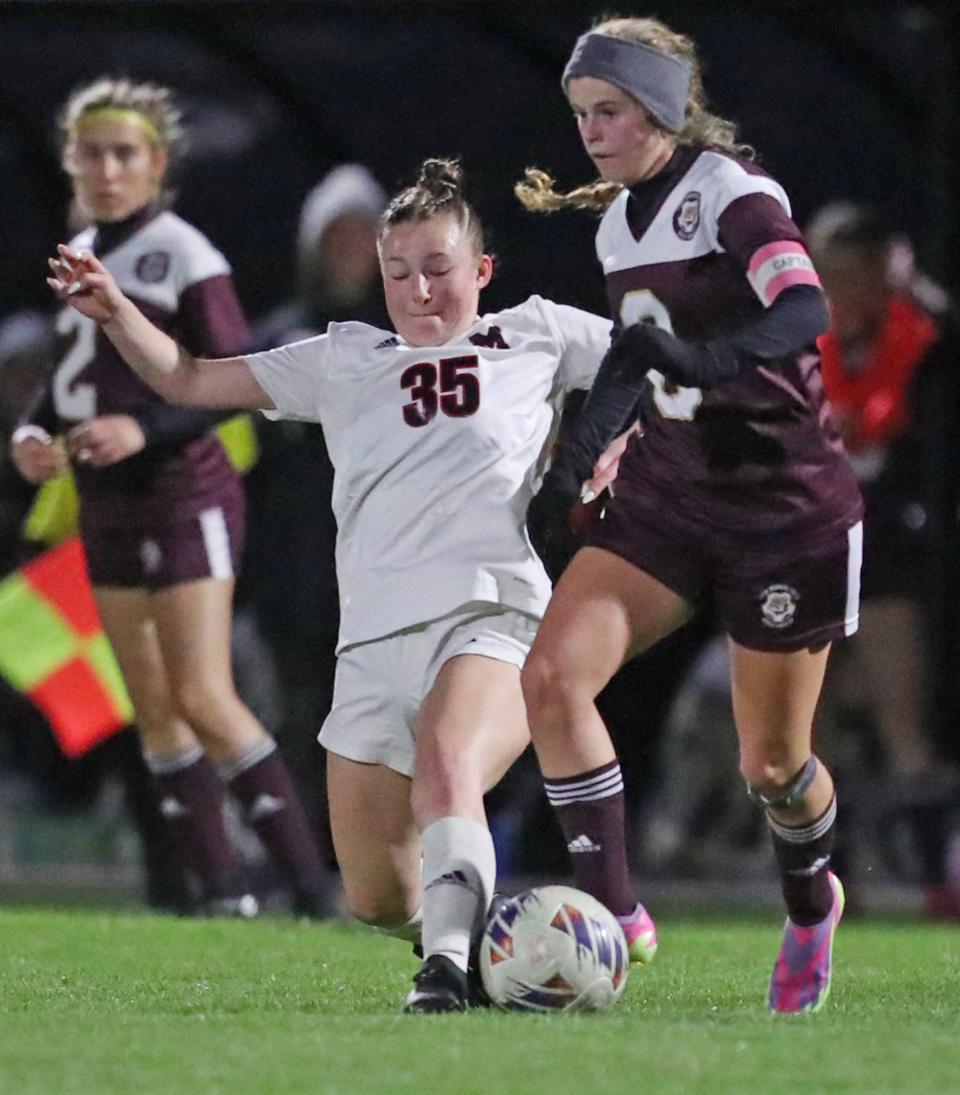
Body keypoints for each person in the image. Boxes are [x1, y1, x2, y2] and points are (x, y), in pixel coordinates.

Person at [45, 157, 615, 1012]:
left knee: (448, 763)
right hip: (373, 641)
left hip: (491, 613)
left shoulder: (536, 333)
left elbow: (655, 357)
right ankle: (477, 938)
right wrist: (119, 311)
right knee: (376, 895)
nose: (419, 290)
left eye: (439, 269)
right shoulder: (346, 357)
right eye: (398, 272)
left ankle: (446, 974)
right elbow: (191, 378)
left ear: (483, 271)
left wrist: (617, 442)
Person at [514, 16, 864, 1013]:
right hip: (670, 496)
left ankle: (810, 906)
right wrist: (571, 471)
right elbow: (636, 359)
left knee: (773, 765)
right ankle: (615, 919)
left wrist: (707, 364)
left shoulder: (733, 195)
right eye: (581, 113)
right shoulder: (617, 222)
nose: (591, 131)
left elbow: (804, 313)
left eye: (610, 110)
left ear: (663, 107)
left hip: (781, 507)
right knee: (553, 677)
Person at [11, 76, 330, 918]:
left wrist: (139, 432)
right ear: (71, 164)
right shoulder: (82, 246)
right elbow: (69, 380)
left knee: (202, 695)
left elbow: (228, 382)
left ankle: (310, 887)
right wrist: (30, 436)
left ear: (158, 164)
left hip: (182, 492)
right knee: (150, 704)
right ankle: (225, 893)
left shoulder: (186, 255)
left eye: (126, 154)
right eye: (92, 154)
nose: (108, 169)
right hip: (107, 503)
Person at [806, 202, 960, 916]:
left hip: (887, 553)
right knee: (806, 727)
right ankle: (829, 880)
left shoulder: (920, 343)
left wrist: (916, 286)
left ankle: (935, 878)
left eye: (845, 272)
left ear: (879, 276)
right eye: (821, 271)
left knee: (902, 719)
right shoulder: (798, 341)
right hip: (810, 546)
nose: (829, 286)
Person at [243, 164, 389, 864]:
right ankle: (308, 864)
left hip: (387, 569)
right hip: (296, 576)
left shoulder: (414, 348)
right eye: (340, 236)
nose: (352, 251)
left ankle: (376, 858)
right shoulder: (278, 342)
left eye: (366, 236)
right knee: (303, 716)